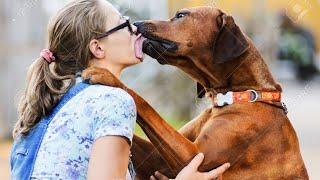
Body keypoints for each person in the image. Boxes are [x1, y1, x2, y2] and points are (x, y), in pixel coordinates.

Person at [10, 0, 230, 179]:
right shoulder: (112, 101)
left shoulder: (47, 107)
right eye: (124, 24)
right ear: (97, 48)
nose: (135, 28)